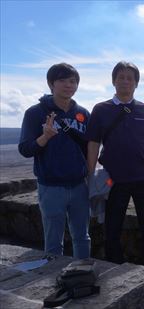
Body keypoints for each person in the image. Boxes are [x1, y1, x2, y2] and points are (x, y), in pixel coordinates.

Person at [85, 61, 144, 267]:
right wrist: (90, 174)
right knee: (112, 227)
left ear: (136, 83)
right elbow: (93, 143)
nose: (125, 81)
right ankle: (113, 266)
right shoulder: (101, 109)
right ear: (113, 81)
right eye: (121, 77)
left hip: (142, 179)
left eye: (130, 78)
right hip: (114, 179)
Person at [18, 63, 91, 259]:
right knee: (53, 242)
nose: (69, 85)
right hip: (50, 188)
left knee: (82, 237)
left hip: (79, 186)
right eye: (62, 80)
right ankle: (52, 282)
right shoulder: (35, 113)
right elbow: (25, 149)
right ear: (51, 83)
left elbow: (89, 148)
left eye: (73, 81)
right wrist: (45, 138)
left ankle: (82, 276)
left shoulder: (83, 113)